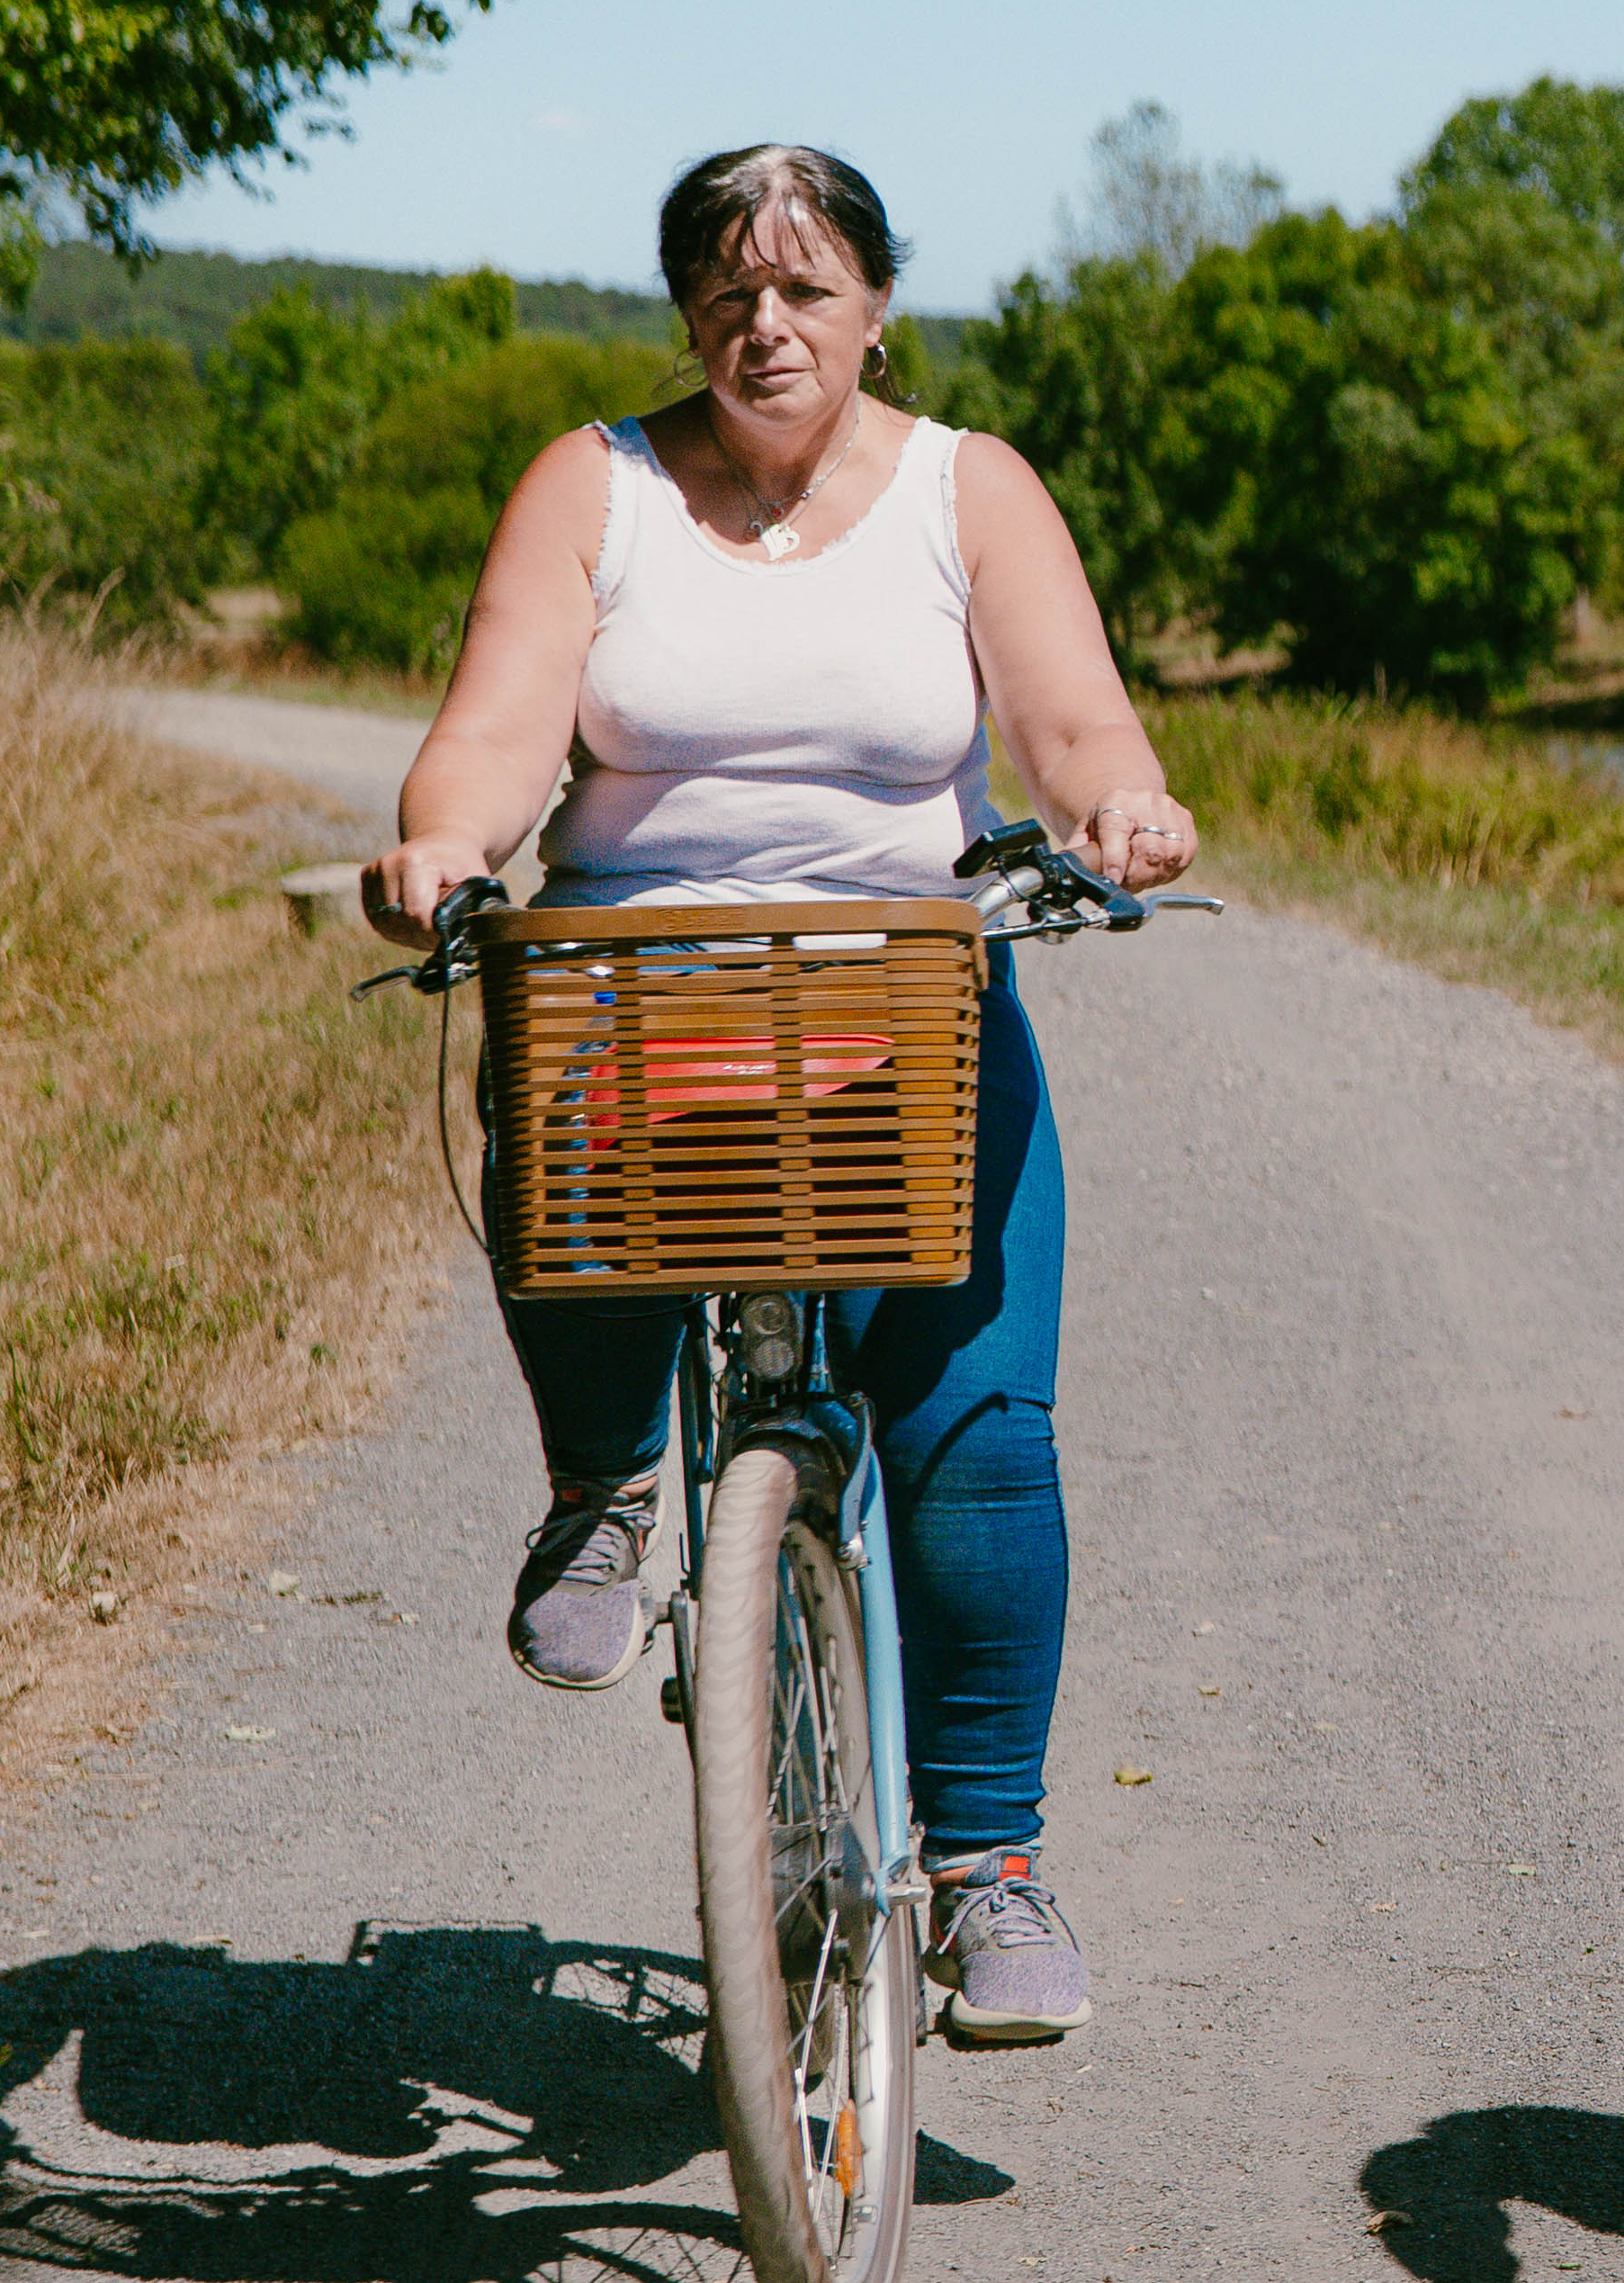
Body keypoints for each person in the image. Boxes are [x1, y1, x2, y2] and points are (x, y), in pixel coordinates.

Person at [362, 143, 1195, 2045]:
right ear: (686, 311)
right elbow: (495, 727)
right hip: (638, 1012)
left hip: (901, 1007)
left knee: (977, 1431)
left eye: (807, 288)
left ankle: (987, 1867)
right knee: (547, 1083)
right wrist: (446, 842)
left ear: (876, 308)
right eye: (728, 291)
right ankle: (602, 1490)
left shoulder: (968, 489)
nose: (767, 324)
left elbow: (1069, 718)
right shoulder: (596, 486)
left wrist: (1117, 808)